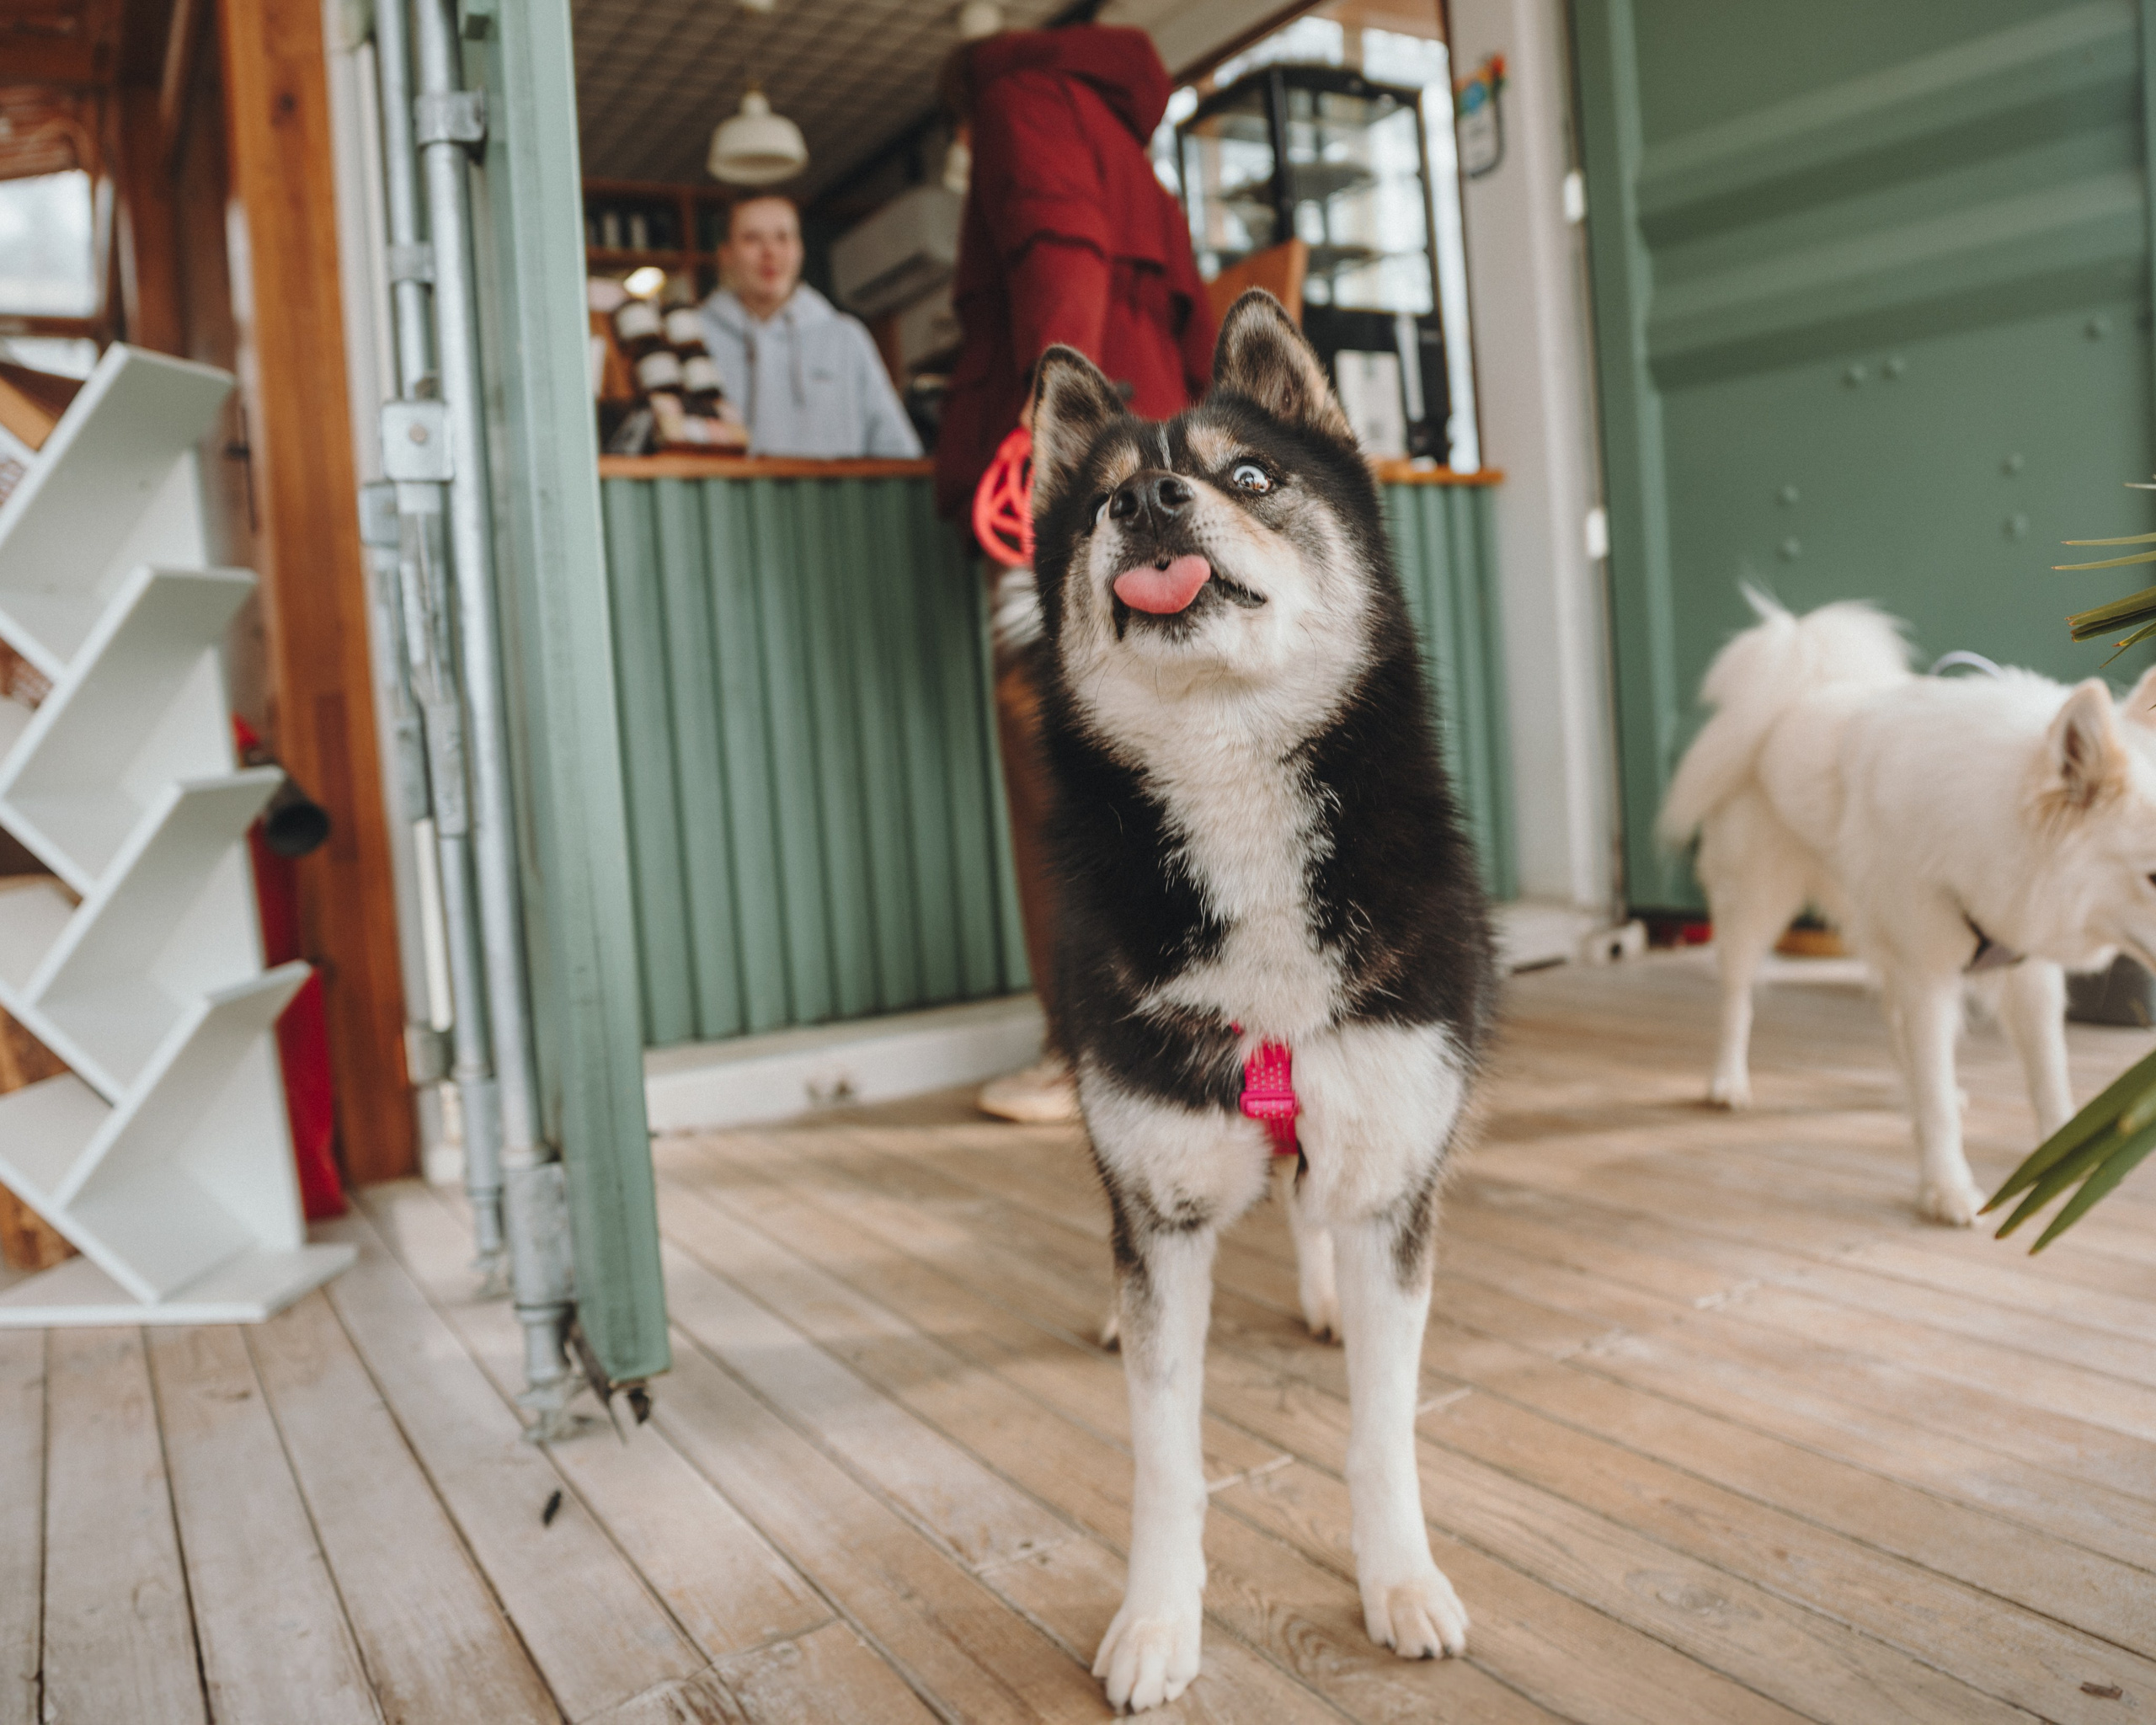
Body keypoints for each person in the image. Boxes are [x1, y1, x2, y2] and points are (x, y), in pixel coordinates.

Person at [935, 24, 1217, 1122]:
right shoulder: (1124, 140)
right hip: (1162, 484)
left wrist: (1046, 439)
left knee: (1054, 757)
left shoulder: (1016, 100)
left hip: (1065, 496)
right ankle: (1198, 1038)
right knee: (1168, 767)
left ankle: (1088, 1054)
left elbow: (1059, 258)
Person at [698, 195, 923, 459]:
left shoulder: (846, 337)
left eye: (782, 237)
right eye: (752, 238)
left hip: (838, 499)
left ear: (800, 249)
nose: (769, 251)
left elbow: (896, 448)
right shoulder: (697, 339)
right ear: (726, 254)